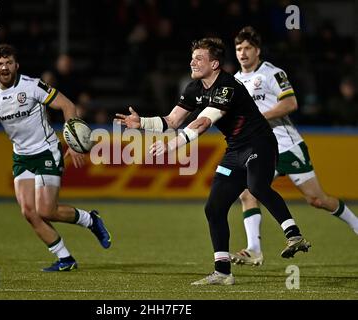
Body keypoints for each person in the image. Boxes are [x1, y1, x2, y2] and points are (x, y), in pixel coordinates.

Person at [115, 37, 311, 285]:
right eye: (192, 57)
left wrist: (172, 145)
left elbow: (204, 122)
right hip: (235, 150)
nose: (192, 62)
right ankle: (223, 272)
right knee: (214, 208)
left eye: (199, 58)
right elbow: (172, 121)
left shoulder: (227, 86)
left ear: (215, 64)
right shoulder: (194, 88)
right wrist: (140, 123)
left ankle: (294, 235)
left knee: (257, 186)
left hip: (260, 143)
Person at [0, 44, 111, 272]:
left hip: (46, 151)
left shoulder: (32, 86)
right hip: (22, 157)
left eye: (8, 63)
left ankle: (90, 220)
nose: (4, 67)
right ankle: (65, 259)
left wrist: (73, 140)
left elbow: (67, 105)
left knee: (46, 210)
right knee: (29, 212)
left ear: (16, 65)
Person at [230, 26, 358, 267]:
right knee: (247, 192)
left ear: (257, 51)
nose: (242, 53)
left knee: (317, 200)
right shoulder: (235, 81)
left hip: (287, 146)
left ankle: (356, 225)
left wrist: (258, 118)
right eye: (238, 49)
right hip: (262, 149)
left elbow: (290, 103)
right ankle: (254, 249)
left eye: (247, 48)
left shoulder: (272, 73)